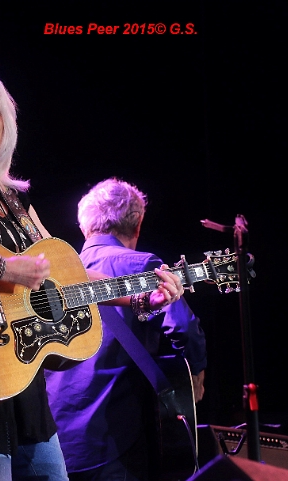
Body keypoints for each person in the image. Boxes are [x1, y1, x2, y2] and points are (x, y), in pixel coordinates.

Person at [0, 63, 185, 481]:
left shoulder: (14, 201)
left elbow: (67, 278)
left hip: (24, 386)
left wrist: (141, 294)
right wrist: (3, 268)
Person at [45, 177, 207, 481]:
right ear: (137, 224)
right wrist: (197, 375)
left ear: (84, 227)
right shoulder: (144, 265)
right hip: (116, 434)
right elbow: (183, 326)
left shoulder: (59, 276)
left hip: (55, 438)